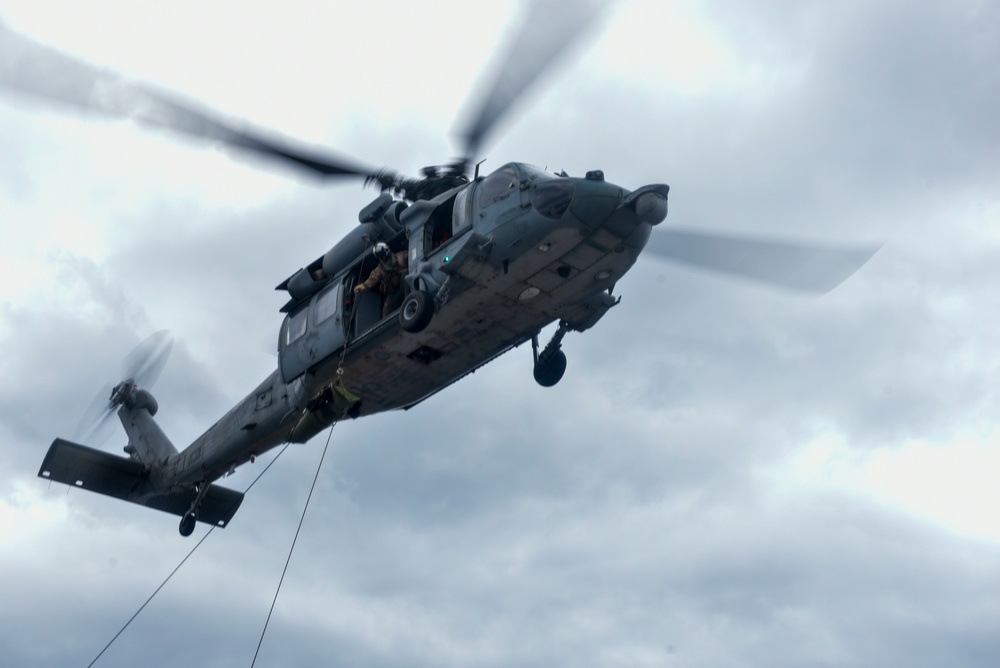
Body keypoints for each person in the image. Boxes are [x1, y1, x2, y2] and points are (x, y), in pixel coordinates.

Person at [354, 242, 408, 317]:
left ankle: (409, 301)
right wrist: (364, 286)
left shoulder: (400, 256)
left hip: (406, 285)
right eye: (380, 256)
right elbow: (372, 279)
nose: (383, 258)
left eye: (383, 255)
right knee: (386, 311)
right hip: (394, 292)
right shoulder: (380, 269)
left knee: (406, 274)